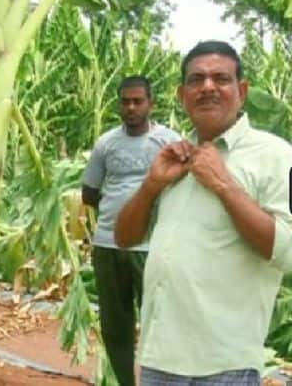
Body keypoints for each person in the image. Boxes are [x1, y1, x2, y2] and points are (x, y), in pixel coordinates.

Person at [115, 40, 292, 385]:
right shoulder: (177, 157)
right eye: (196, 80)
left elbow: (289, 252)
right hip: (158, 360)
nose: (208, 87)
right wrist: (151, 185)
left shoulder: (276, 156)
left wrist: (224, 185)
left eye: (220, 79)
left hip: (224, 366)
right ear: (182, 95)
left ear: (241, 91)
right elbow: (125, 238)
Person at [81, 76, 180, 386]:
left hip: (153, 247)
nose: (131, 107)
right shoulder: (106, 144)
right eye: (125, 101)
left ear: (151, 103)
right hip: (109, 244)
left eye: (138, 101)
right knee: (115, 323)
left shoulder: (168, 142)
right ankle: (125, 382)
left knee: (159, 321)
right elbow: (90, 192)